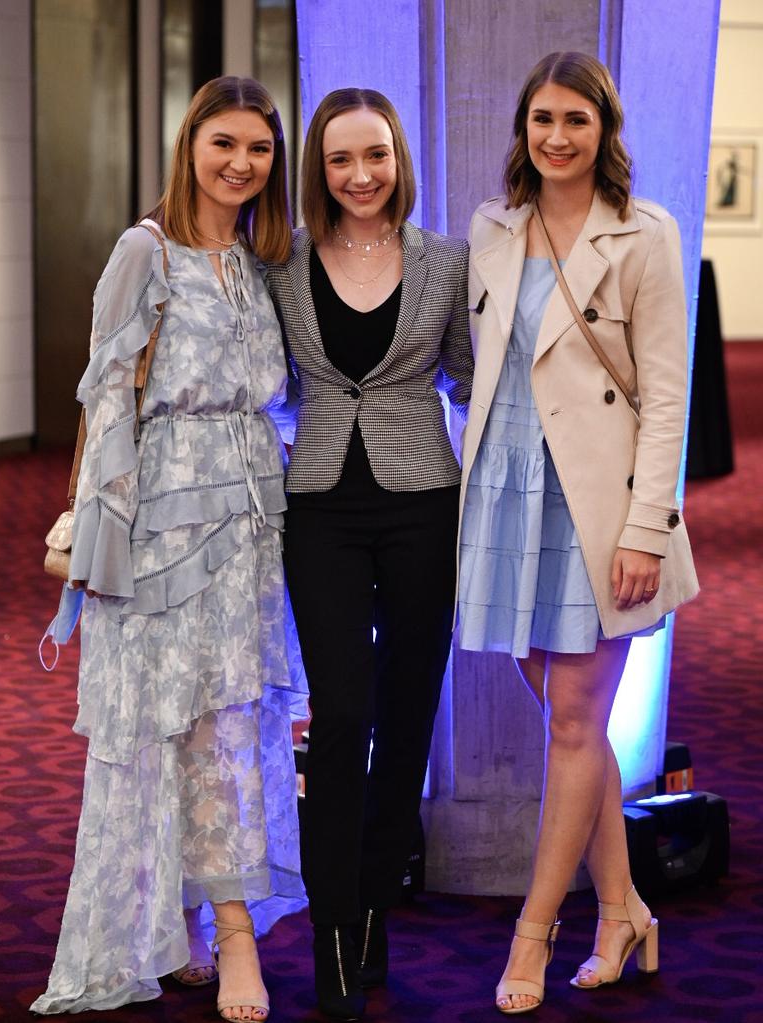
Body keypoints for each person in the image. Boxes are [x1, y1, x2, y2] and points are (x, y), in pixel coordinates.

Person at [31, 76, 306, 1022]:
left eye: (259, 149)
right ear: (190, 143)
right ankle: (204, 932)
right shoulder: (142, 251)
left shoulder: (266, 261)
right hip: (158, 531)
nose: (240, 163)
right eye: (224, 143)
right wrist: (104, 542)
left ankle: (218, 927)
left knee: (229, 727)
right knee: (161, 732)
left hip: (251, 528)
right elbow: (103, 406)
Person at [457, 52, 699, 1014]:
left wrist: (646, 527)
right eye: (541, 120)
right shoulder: (491, 229)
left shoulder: (646, 234)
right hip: (507, 491)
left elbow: (668, 398)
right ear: (522, 128)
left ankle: (535, 934)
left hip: (600, 502)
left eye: (576, 121)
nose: (556, 138)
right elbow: (473, 361)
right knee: (572, 721)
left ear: (606, 130)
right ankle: (625, 907)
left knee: (571, 722)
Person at [265, 88, 472, 1020]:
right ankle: (333, 923)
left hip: (425, 497)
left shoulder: (445, 263)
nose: (360, 175)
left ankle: (375, 904)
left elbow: (475, 372)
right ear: (319, 167)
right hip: (319, 505)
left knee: (408, 715)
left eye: (376, 155)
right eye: (342, 159)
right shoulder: (283, 265)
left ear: (399, 159)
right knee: (343, 714)